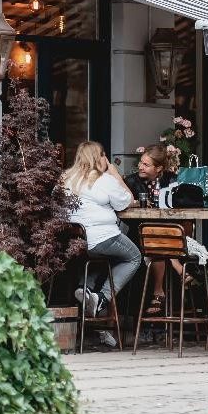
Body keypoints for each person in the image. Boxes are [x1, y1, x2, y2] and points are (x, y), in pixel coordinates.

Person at [63, 141, 141, 348]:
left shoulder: (66, 179)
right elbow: (126, 201)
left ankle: (85, 287)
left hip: (77, 242)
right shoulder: (105, 180)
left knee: (103, 259)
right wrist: (115, 174)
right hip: (101, 237)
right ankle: (102, 297)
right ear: (99, 158)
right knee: (134, 257)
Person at [124, 144, 207, 317]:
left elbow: (184, 205)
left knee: (160, 243)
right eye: (141, 163)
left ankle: (159, 291)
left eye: (146, 165)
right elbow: (125, 214)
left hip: (169, 234)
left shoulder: (172, 180)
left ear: (159, 168)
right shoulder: (131, 182)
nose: (140, 166)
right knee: (155, 238)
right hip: (140, 235)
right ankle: (176, 269)